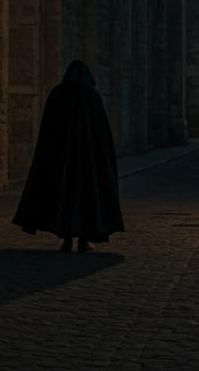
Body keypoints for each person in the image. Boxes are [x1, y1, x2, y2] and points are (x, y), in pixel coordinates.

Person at [13, 60, 124, 252]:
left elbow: (48, 130)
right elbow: (102, 133)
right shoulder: (92, 96)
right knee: (87, 199)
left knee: (64, 199)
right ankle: (83, 241)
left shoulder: (58, 94)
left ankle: (66, 240)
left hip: (61, 161)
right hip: (88, 162)